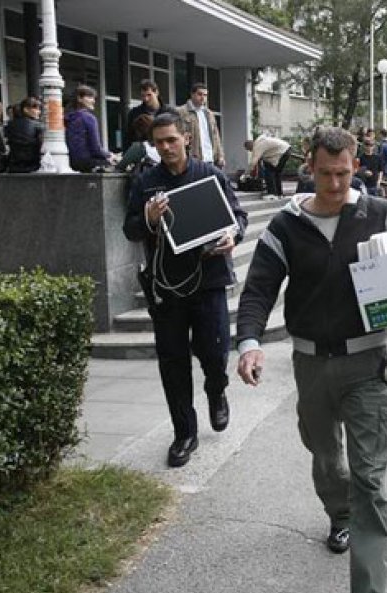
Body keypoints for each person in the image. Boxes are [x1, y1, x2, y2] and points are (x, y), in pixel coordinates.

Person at [235, 126, 387, 593]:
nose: (335, 184)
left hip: (367, 363)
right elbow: (257, 290)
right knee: (325, 458)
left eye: (343, 173)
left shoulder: (381, 213)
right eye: (325, 173)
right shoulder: (286, 226)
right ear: (308, 169)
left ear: (356, 167)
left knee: (369, 481)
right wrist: (249, 342)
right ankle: (339, 513)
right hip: (310, 364)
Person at [123, 113, 247, 467]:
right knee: (173, 363)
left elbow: (238, 217)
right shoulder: (146, 182)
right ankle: (184, 433)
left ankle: (216, 389)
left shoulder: (210, 175)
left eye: (171, 140)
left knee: (215, 352)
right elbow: (130, 229)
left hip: (209, 281)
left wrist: (232, 235)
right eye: (159, 142)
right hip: (167, 287)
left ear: (186, 138)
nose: (166, 148)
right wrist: (147, 218)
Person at [65, 85, 117, 173]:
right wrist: (110, 155)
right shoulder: (88, 118)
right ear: (79, 98)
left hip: (70, 162)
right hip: (87, 162)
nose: (93, 101)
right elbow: (96, 149)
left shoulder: (68, 118)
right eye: (89, 97)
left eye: (93, 98)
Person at [177, 83, 225, 169]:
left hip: (210, 159)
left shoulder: (209, 113)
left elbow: (216, 136)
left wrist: (220, 155)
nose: (203, 98)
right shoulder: (181, 112)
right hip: (192, 159)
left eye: (205, 95)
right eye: (199, 94)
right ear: (192, 94)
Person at [244, 134, 295, 198]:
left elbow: (254, 161)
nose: (250, 151)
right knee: (276, 173)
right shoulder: (261, 142)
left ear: (250, 146)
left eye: (249, 149)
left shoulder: (258, 145)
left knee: (269, 172)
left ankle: (272, 193)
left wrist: (246, 174)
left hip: (282, 152)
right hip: (286, 149)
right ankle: (279, 193)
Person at [125, 79, 173, 145]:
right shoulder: (134, 113)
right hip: (142, 151)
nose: (146, 99)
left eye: (149, 95)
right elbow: (128, 138)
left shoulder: (170, 112)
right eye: (143, 96)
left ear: (156, 92)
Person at [5, 97, 45, 173]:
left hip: (14, 164)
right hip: (33, 164)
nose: (39, 112)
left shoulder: (10, 124)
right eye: (36, 109)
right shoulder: (37, 125)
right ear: (26, 109)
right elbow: (41, 143)